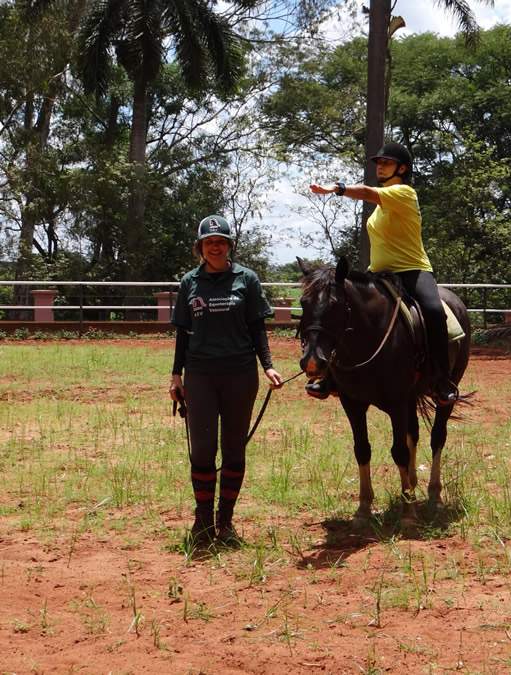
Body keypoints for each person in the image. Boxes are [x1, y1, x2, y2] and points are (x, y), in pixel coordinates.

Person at [307, 141, 457, 405]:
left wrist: (337, 188)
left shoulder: (405, 193)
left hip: (412, 270)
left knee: (434, 311)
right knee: (344, 308)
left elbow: (367, 192)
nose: (380, 167)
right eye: (379, 163)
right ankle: (331, 376)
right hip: (378, 273)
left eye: (386, 163)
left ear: (403, 168)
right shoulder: (382, 203)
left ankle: (441, 379)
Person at [169, 215, 283, 548]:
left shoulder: (247, 279)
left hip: (240, 375)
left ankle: (226, 521)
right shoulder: (189, 282)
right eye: (209, 242)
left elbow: (257, 327)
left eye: (220, 242)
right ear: (200, 248)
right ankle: (203, 521)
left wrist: (268, 366)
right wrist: (176, 375)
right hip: (200, 375)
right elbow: (182, 333)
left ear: (229, 245)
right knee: (203, 450)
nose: (215, 247)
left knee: (234, 450)